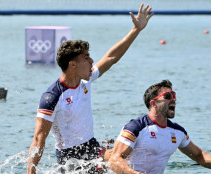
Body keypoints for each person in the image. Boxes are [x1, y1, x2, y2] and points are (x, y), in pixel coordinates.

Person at [27, 4, 154, 174]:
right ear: (72, 65)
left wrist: (135, 30)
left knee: (120, 159)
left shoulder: (84, 80)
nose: (92, 61)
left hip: (92, 147)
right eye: (86, 58)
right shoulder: (52, 97)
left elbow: (111, 57)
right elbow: (38, 139)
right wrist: (30, 171)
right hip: (69, 158)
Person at [109, 80, 211, 174]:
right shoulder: (136, 127)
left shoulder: (178, 132)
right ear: (153, 103)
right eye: (168, 96)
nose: (173, 99)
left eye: (174, 95)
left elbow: (199, 155)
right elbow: (114, 160)